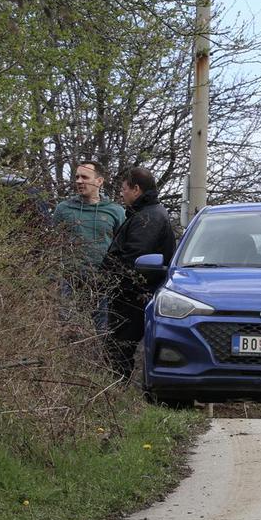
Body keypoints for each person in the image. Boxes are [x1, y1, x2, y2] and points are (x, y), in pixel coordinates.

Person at [103, 167, 176, 382]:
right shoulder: (145, 214)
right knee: (118, 347)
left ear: (136, 189)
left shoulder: (148, 218)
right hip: (133, 293)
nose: (121, 193)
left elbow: (133, 258)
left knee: (120, 348)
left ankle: (116, 392)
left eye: (124, 189)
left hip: (134, 296)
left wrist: (112, 282)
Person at [51, 161, 125, 332]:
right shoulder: (64, 209)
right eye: (77, 177)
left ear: (99, 181)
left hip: (102, 282)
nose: (79, 181)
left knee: (102, 332)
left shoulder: (115, 211)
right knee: (67, 331)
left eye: (84, 177)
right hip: (70, 280)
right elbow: (52, 244)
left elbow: (121, 247)